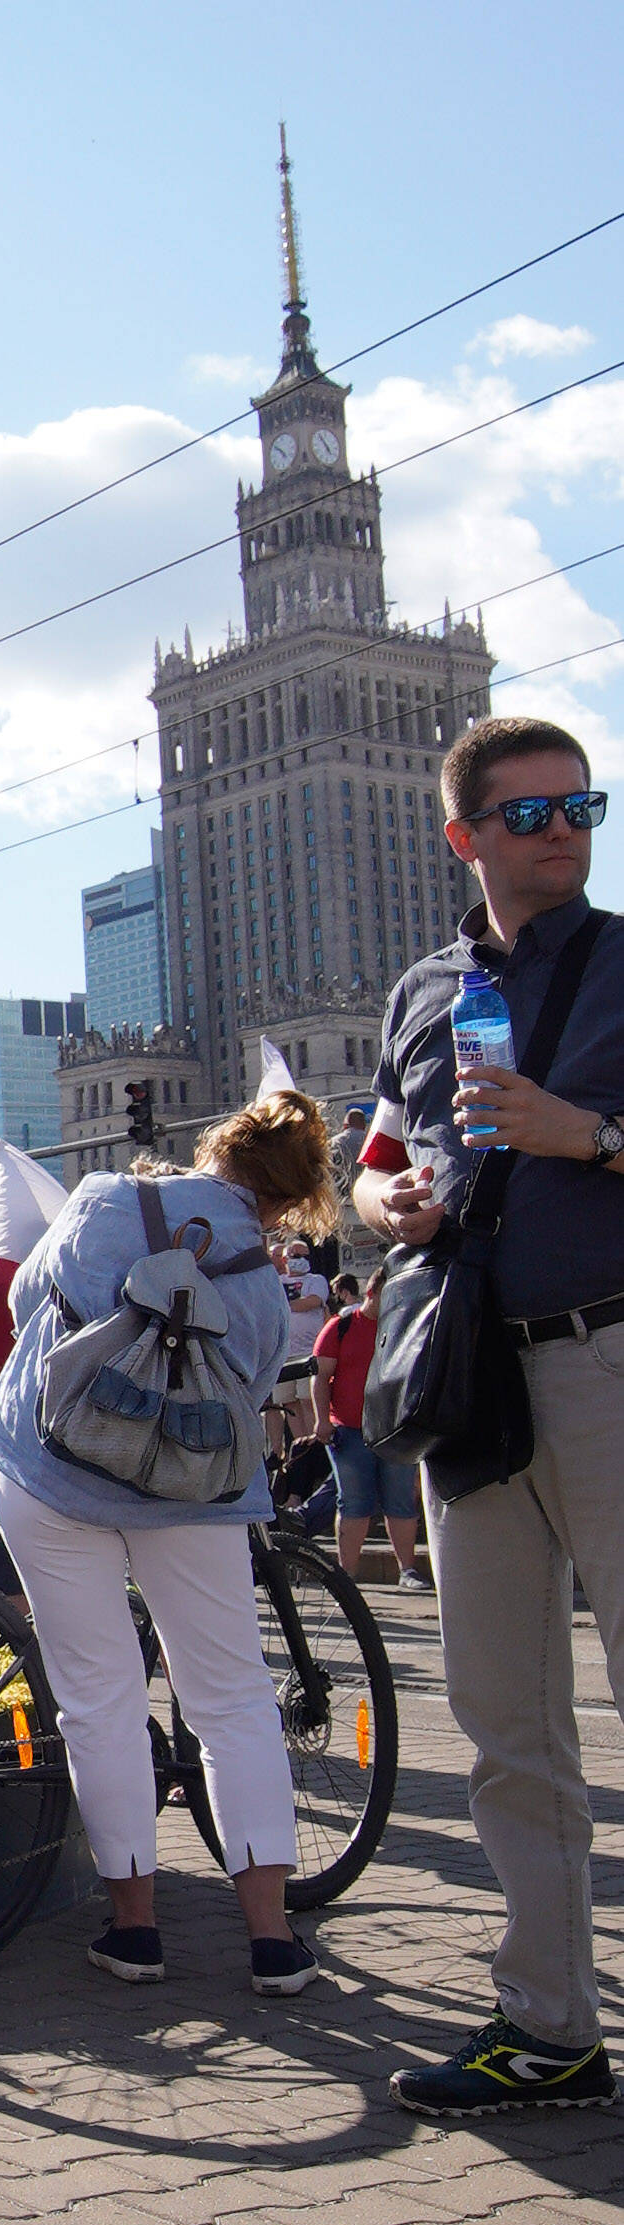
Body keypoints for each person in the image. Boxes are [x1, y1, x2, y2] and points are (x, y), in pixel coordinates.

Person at [355, 713, 624, 2119]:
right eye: (526, 813)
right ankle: (548, 2028)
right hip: (474, 1376)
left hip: (605, 1358)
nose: (562, 830)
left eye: (579, 804)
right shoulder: (422, 992)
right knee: (504, 1722)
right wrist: (379, 1202)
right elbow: (373, 1159)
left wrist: (586, 1135)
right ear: (463, 836)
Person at [0, 1094, 326, 1997]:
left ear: (215, 1148)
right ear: (290, 1202)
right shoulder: (260, 1274)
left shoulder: (98, 1199)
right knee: (232, 1698)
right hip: (190, 1495)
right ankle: (271, 1939)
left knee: (97, 1698)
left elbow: (24, 1302)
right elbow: (246, 1393)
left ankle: (135, 1932)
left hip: (51, 1470)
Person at [314, 1266, 416, 1589]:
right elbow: (320, 1379)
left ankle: (408, 1570)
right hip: (349, 1429)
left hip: (394, 1430)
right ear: (371, 1293)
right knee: (354, 1502)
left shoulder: (402, 1327)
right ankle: (347, 1576)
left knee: (400, 1500)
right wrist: (320, 1420)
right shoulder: (340, 1327)